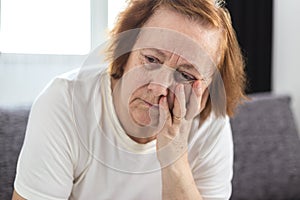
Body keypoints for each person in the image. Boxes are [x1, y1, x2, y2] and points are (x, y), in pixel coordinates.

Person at [12, 0, 246, 199]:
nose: (160, 88)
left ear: (205, 93)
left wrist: (174, 153)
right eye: (152, 59)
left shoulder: (210, 122)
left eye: (186, 75)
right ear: (125, 53)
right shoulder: (64, 102)